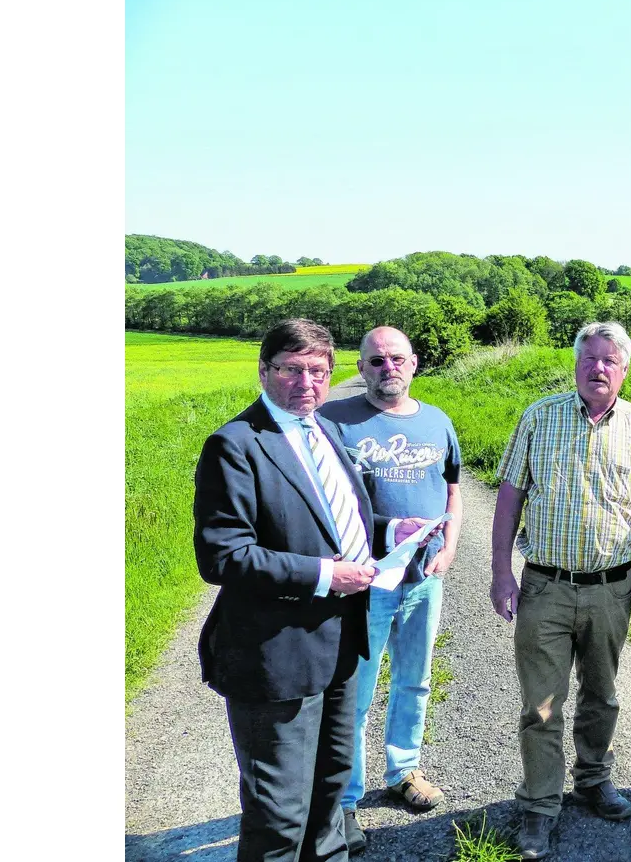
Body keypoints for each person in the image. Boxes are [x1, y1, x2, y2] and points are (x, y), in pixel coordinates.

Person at [193, 318, 431, 862]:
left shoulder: (322, 431)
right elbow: (223, 554)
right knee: (280, 815)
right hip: (276, 657)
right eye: (293, 369)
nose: (307, 383)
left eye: (319, 372)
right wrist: (327, 575)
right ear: (264, 370)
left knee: (329, 804)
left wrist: (389, 533)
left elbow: (333, 522)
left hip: (342, 649)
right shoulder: (236, 445)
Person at [488, 321, 631, 861]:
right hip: (545, 586)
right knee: (541, 705)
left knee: (602, 694)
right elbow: (509, 493)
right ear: (575, 364)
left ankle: (594, 779)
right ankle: (540, 804)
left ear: (624, 370)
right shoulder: (539, 416)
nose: (598, 368)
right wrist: (501, 570)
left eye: (609, 361)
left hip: (610, 589)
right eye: (589, 359)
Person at [318, 326, 463, 853]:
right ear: (361, 367)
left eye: (396, 359)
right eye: (375, 361)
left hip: (424, 578)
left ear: (415, 363)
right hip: (364, 581)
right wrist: (384, 531)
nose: (387, 369)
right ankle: (346, 798)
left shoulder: (436, 421)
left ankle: (403, 771)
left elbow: (452, 490)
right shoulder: (334, 422)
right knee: (354, 689)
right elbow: (327, 504)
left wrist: (448, 548)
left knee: (415, 679)